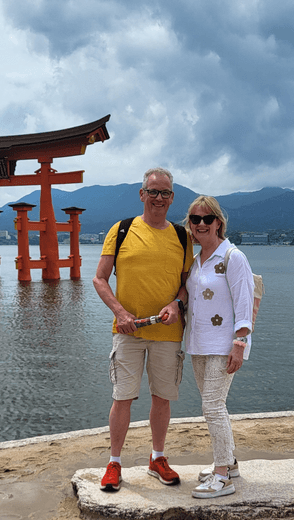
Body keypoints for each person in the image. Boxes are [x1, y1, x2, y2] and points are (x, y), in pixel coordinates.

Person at [93, 167, 194, 492]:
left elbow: (186, 285)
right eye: (153, 191)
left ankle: (157, 457)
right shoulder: (121, 230)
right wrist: (120, 312)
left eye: (165, 193)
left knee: (162, 398)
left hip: (167, 334)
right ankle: (114, 462)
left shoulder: (182, 236)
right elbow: (100, 277)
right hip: (128, 331)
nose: (159, 198)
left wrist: (176, 305)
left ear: (172, 198)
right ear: (142, 194)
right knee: (123, 397)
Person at [179, 195, 254, 499]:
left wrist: (240, 343)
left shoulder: (232, 257)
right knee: (214, 406)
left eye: (207, 219)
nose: (200, 224)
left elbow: (246, 302)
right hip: (198, 343)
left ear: (218, 223)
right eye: (195, 219)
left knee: (212, 406)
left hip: (224, 344)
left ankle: (222, 475)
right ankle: (230, 463)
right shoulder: (197, 261)